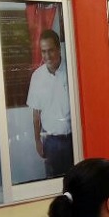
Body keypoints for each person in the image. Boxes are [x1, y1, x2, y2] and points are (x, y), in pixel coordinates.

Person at [27, 30, 73, 178]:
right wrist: (37, 141)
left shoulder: (71, 70)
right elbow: (36, 114)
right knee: (53, 183)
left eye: (51, 51)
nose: (47, 56)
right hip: (51, 142)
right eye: (43, 51)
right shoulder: (37, 77)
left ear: (58, 49)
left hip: (73, 139)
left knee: (78, 183)